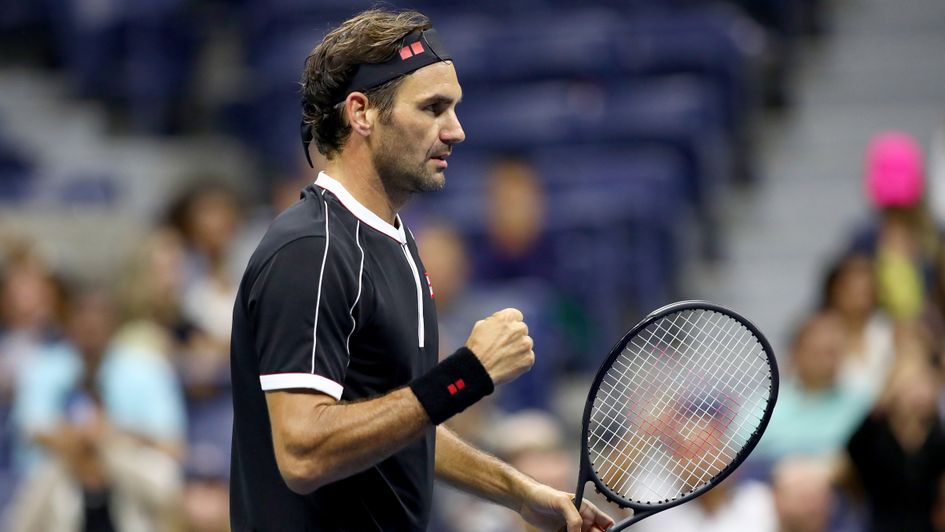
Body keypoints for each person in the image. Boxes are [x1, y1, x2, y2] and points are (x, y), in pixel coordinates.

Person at [228, 9, 613, 532]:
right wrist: (466, 374)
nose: (456, 131)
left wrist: (518, 491)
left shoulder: (397, 243)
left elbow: (400, 421)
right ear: (361, 113)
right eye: (433, 108)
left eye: (453, 108)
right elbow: (303, 453)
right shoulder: (312, 251)